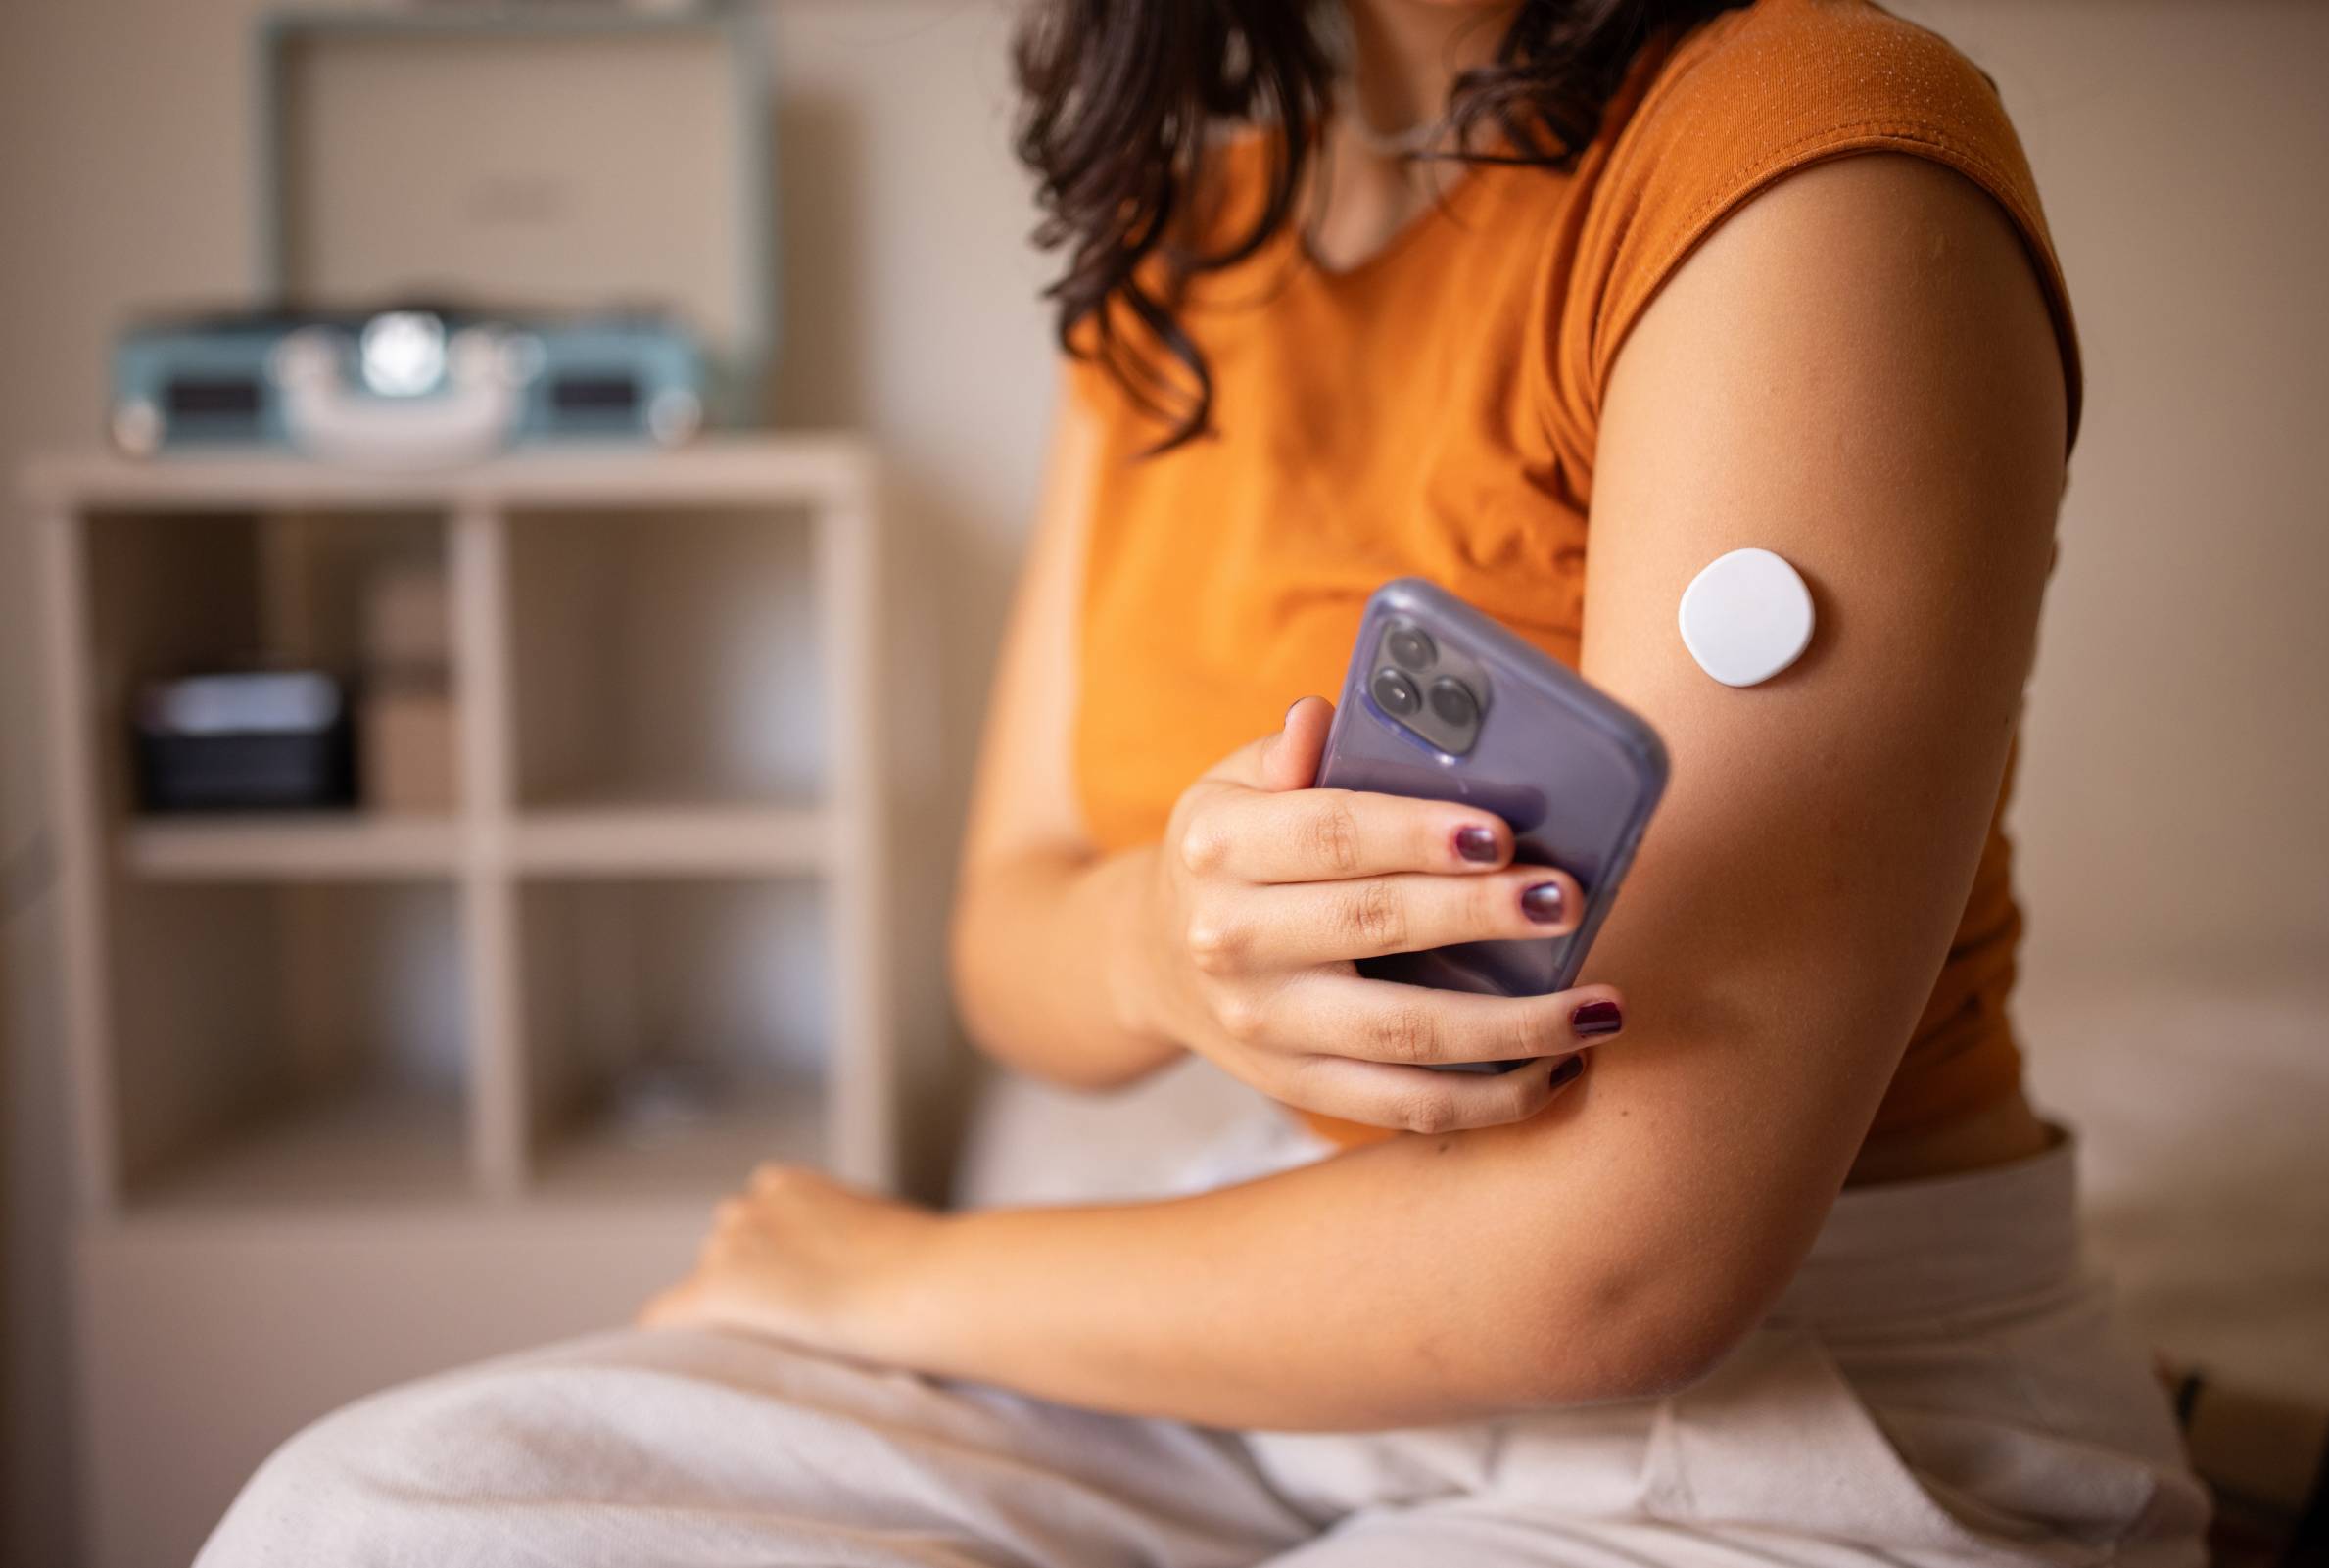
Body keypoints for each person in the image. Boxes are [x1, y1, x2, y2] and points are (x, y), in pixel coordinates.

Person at [202, 1, 2210, 1562]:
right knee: (367, 1518)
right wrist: (1165, 950)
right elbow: (1009, 939)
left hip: (1787, 1404)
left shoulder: (1801, 164)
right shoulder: (1181, 245)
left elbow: (1625, 1265)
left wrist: (902, 1271)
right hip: (1265, 1318)